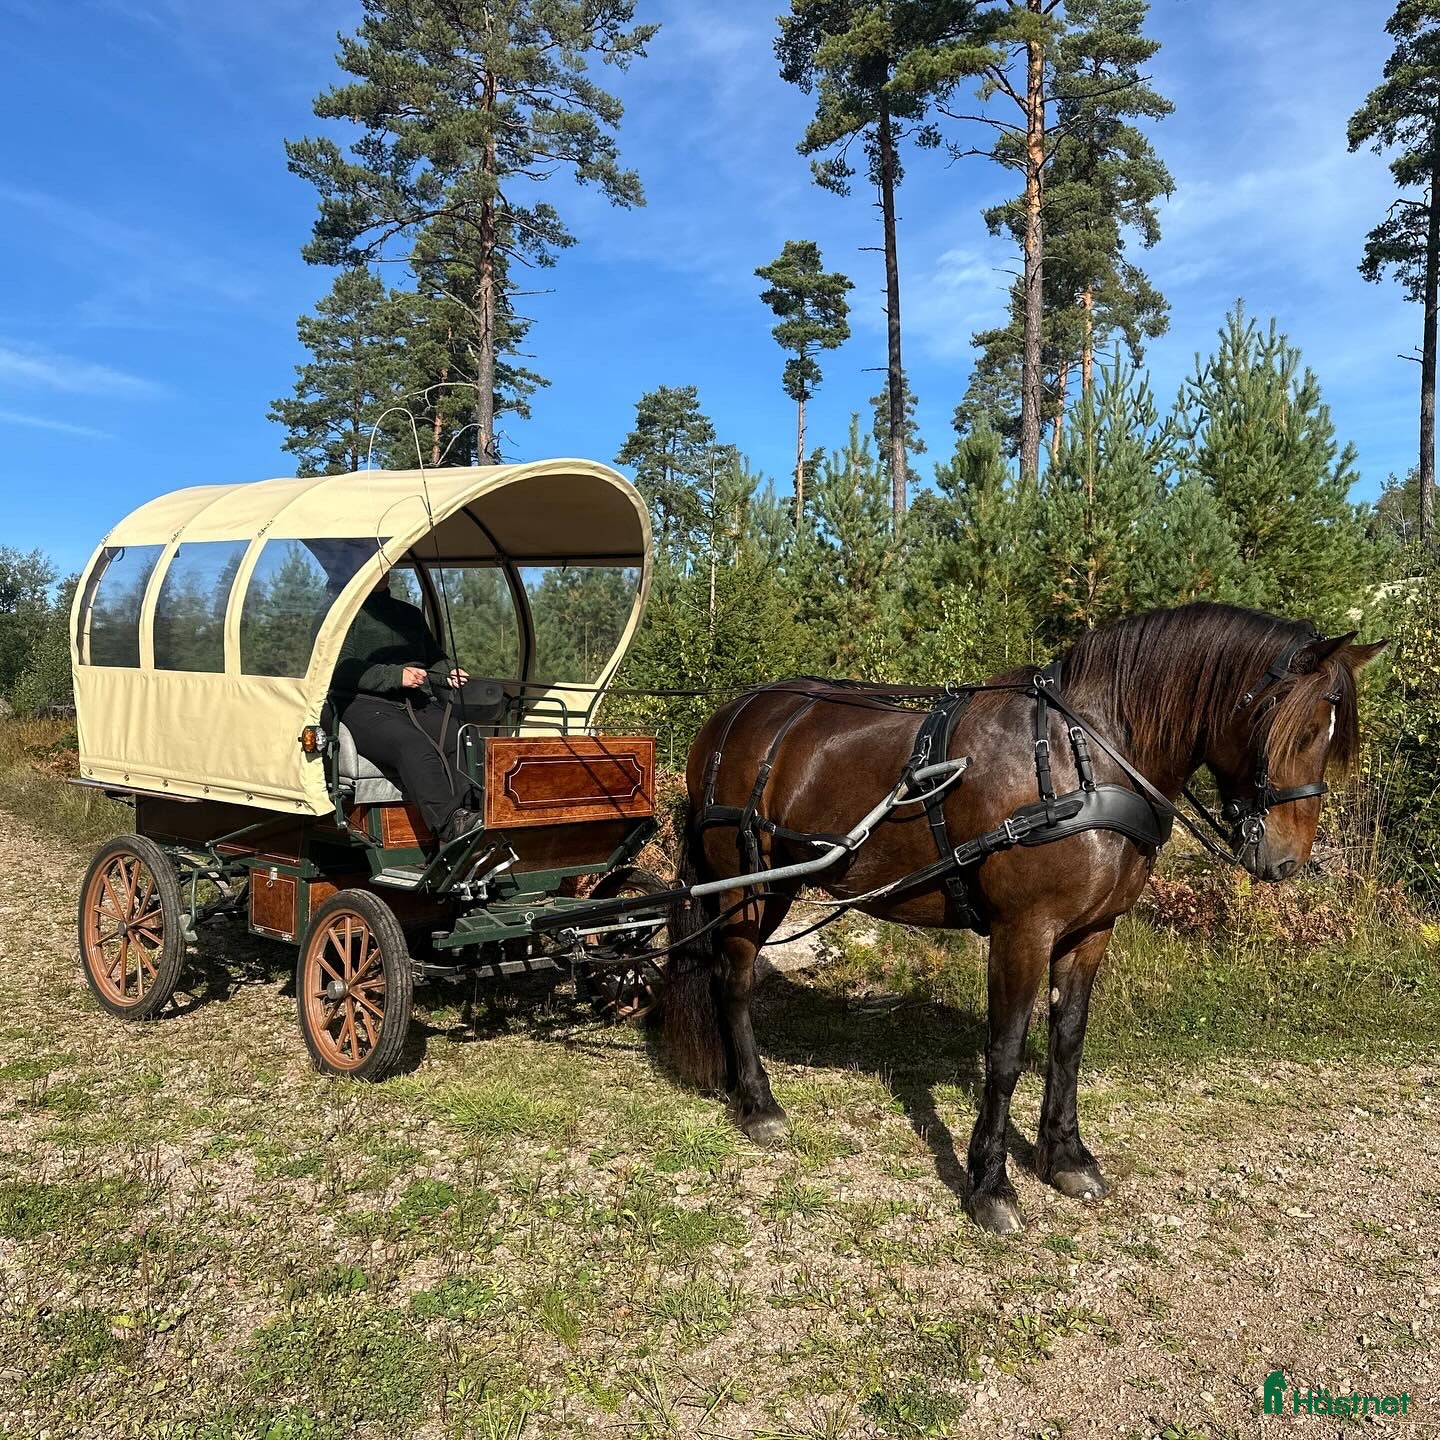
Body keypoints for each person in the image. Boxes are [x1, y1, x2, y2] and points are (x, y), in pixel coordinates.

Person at [331, 575, 483, 844]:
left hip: (414, 701)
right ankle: (451, 825)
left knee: (463, 735)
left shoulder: (410, 614)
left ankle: (476, 812)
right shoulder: (344, 613)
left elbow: (434, 659)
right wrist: (395, 676)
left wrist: (448, 672)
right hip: (364, 704)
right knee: (412, 744)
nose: (382, 572)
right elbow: (339, 667)